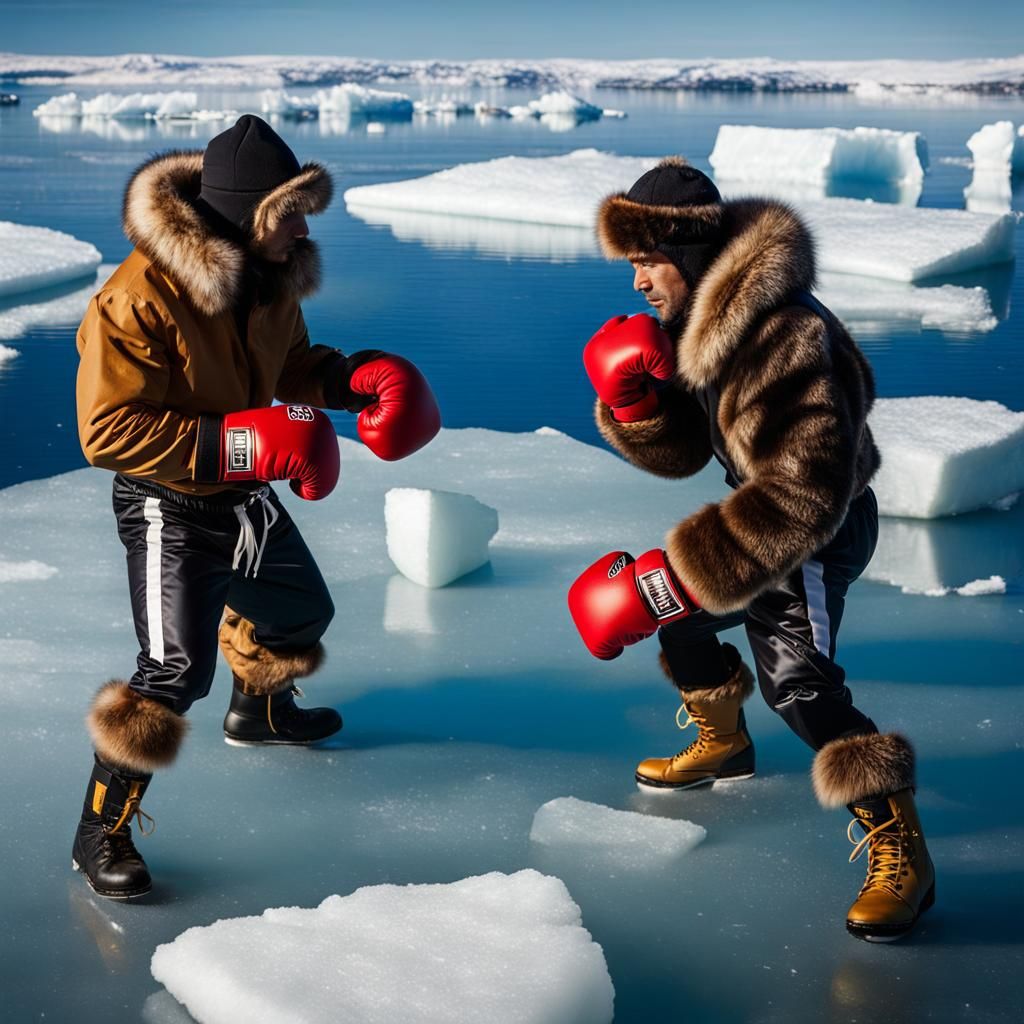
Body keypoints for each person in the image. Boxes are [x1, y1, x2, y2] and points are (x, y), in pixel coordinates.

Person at [72, 115, 440, 899]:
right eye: (289, 211)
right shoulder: (137, 296)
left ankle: (261, 713)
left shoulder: (272, 278)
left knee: (300, 611)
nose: (304, 227)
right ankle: (100, 831)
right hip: (167, 501)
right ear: (244, 216)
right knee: (172, 674)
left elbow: (292, 365)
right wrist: (242, 446)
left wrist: (353, 383)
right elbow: (105, 430)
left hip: (243, 493)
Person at [567, 158, 934, 941]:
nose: (636, 282)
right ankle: (724, 745)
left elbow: (806, 493)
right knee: (675, 615)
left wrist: (690, 567)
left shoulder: (783, 335)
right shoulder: (703, 323)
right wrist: (636, 406)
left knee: (798, 685)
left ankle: (899, 841)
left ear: (690, 253)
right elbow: (689, 454)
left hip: (813, 529)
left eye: (645, 261)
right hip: (761, 514)